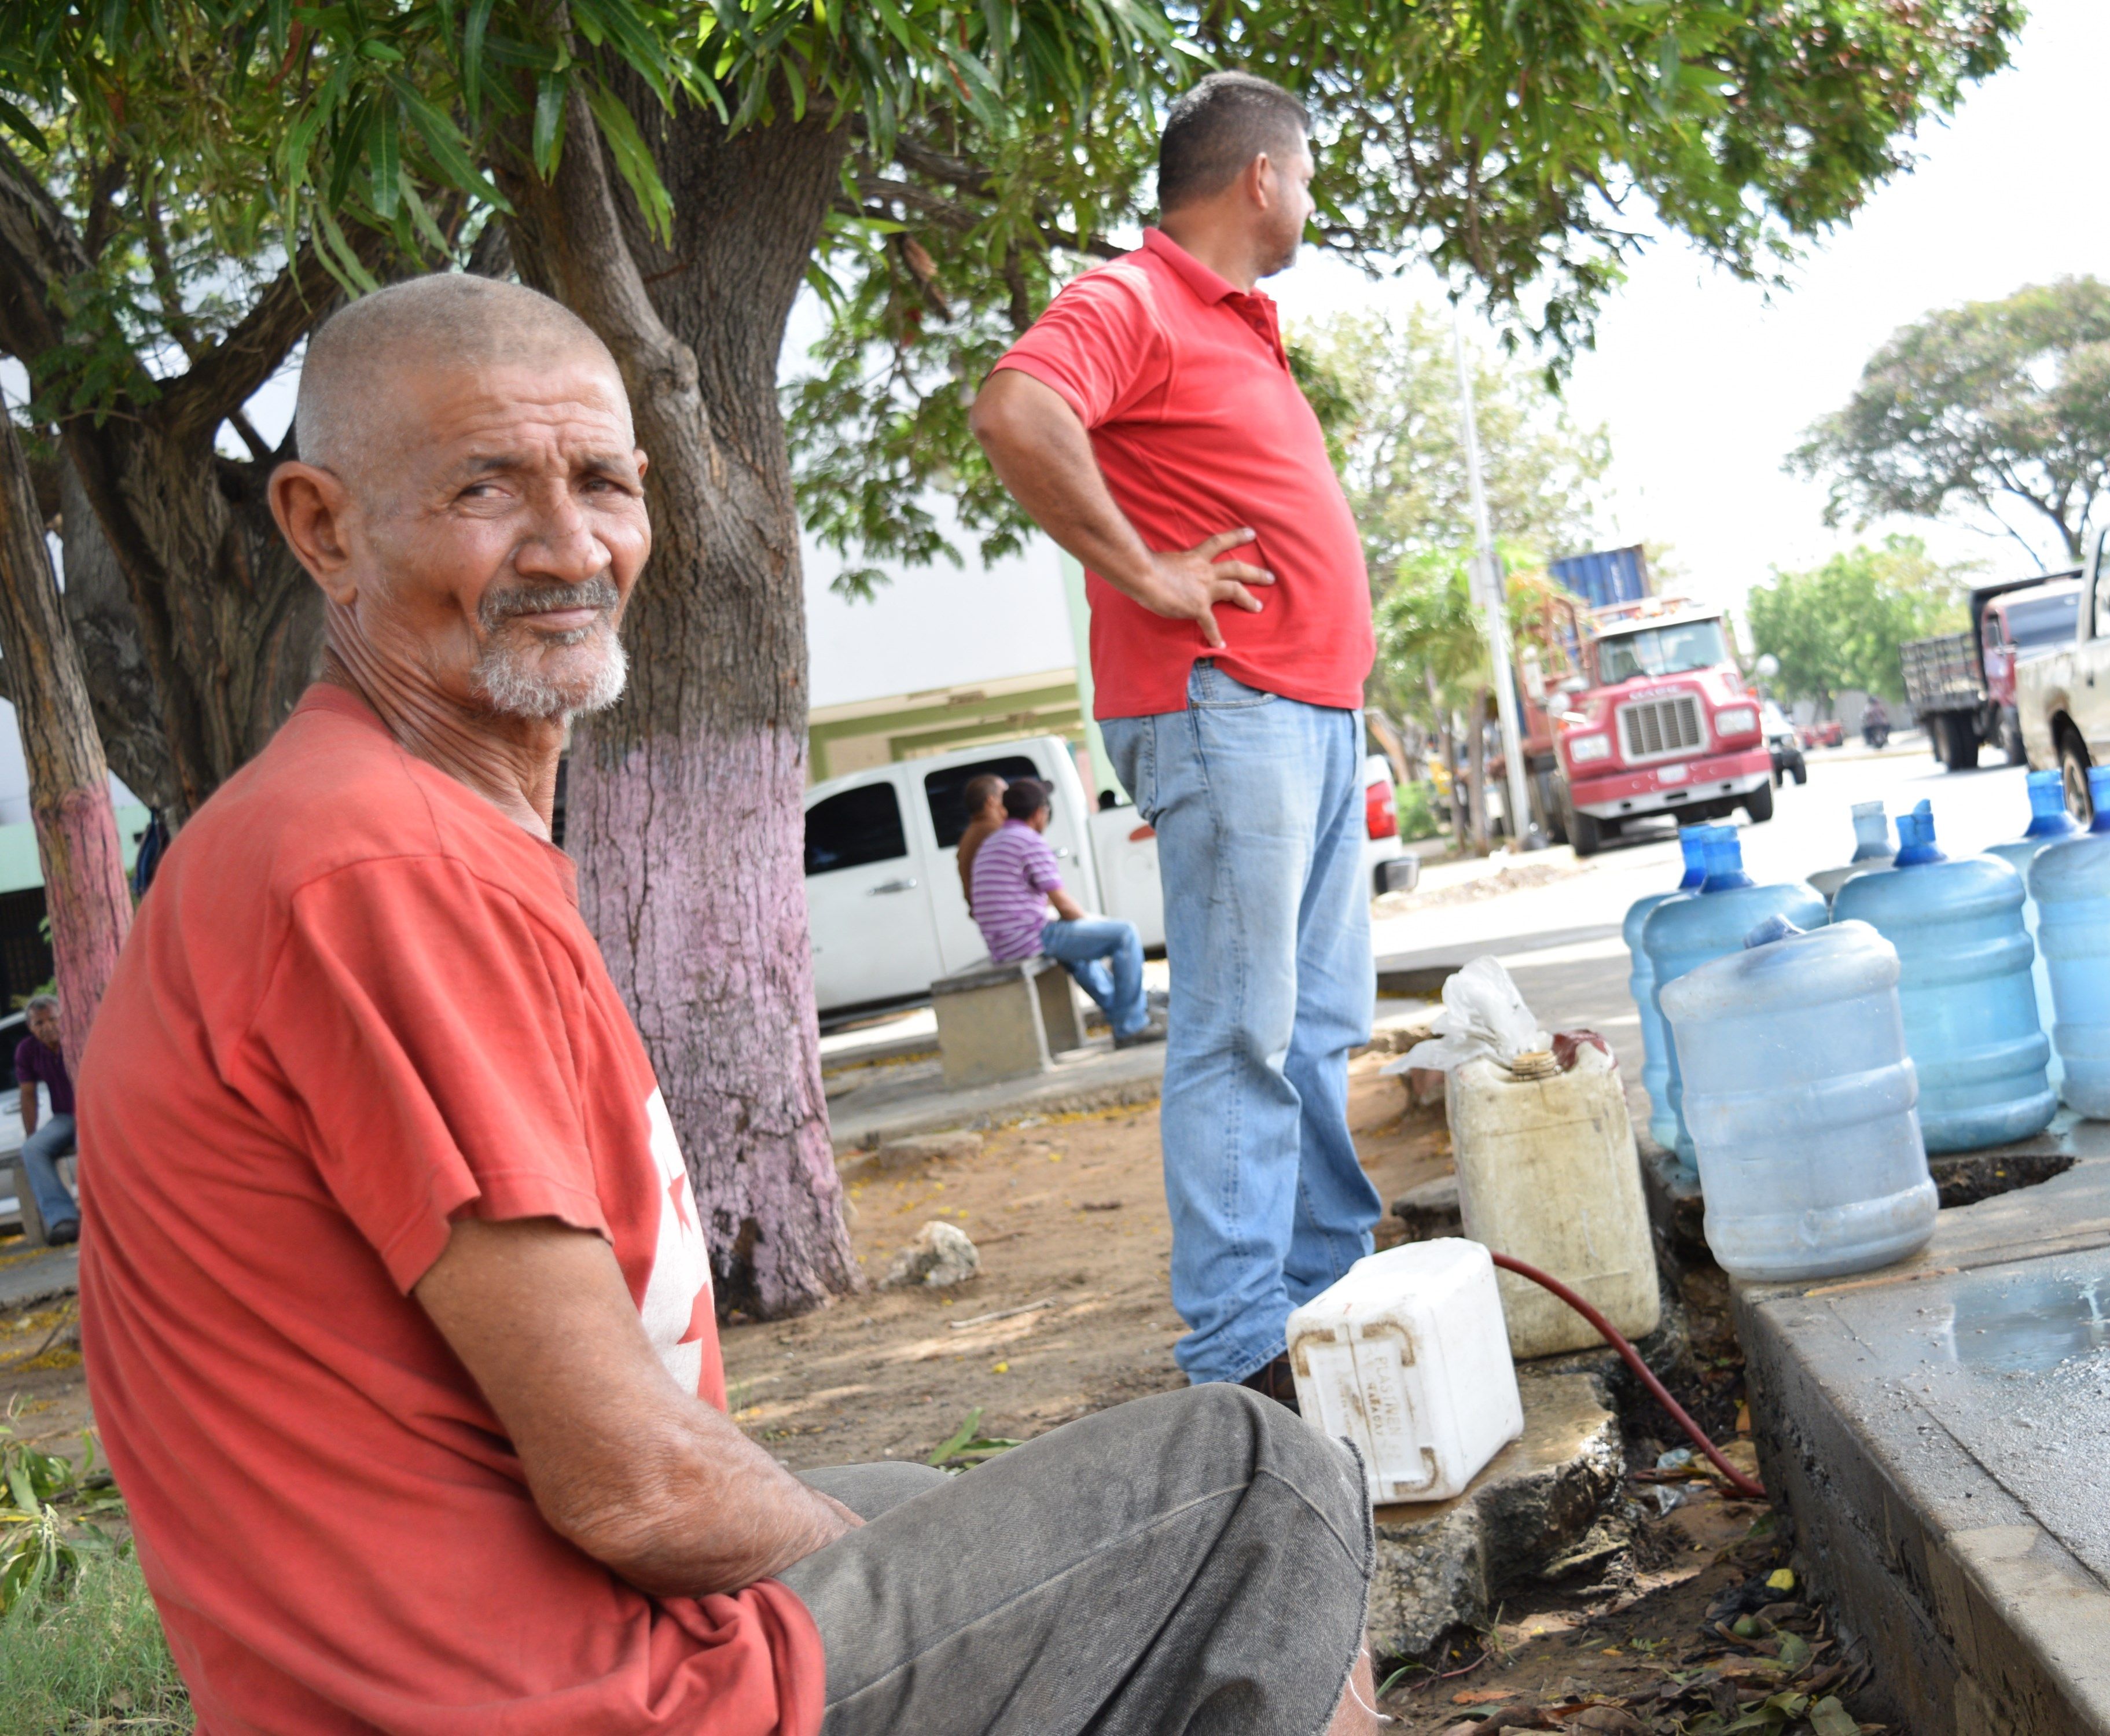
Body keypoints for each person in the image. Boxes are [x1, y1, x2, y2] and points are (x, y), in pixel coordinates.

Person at [78, 272, 1376, 1736]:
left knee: (952, 1507)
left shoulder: (370, 824)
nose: (568, 547)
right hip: (551, 1698)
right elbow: (633, 1477)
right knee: (1256, 1479)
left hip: (489, 1649)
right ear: (323, 527)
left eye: (602, 482)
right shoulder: (377, 864)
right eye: (485, 488)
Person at [972, 71, 1381, 1403]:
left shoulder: (1240, 326)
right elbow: (1017, 407)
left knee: (1317, 1027)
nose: (1308, 199)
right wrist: (1148, 574)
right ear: (1261, 177)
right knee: (1241, 1031)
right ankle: (1239, 1353)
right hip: (1227, 705)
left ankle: (1332, 1294)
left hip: (1303, 708)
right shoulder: (1135, 296)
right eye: (1306, 174)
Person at [970, 777, 1157, 1046]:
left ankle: (1123, 1016)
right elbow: (1065, 906)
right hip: (1027, 937)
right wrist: (1092, 922)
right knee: (1124, 934)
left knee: (1079, 953)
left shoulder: (995, 841)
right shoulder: (1029, 841)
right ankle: (1131, 1025)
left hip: (1003, 942)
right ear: (1039, 813)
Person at [13, 992, 79, 1245]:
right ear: (30, 1027)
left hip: (91, 1113)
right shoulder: (27, 1050)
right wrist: (32, 1133)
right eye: (39, 1023)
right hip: (64, 1116)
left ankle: (103, 1215)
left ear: (63, 1018)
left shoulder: (78, 1036)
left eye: (52, 1019)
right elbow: (28, 1094)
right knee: (32, 1149)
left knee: (89, 1145)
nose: (47, 1027)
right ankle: (64, 1220)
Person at [954, 771, 1008, 911]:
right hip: (1009, 915)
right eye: (1006, 795)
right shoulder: (997, 833)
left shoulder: (970, 834)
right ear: (992, 801)